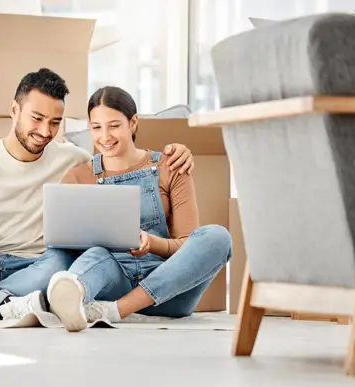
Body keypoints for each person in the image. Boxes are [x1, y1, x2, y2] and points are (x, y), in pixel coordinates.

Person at [0, 69, 195, 321]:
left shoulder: (74, 159)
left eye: (55, 122)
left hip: (42, 265)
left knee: (63, 261)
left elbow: (120, 153)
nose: (45, 131)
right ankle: (4, 305)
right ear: (14, 110)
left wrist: (177, 152)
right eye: (36, 118)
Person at [47, 86, 232, 332]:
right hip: (114, 281)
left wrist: (152, 243)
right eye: (96, 127)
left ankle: (115, 311)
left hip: (170, 292)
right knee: (96, 254)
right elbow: (65, 243)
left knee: (218, 236)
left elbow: (188, 243)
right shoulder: (77, 177)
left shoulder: (171, 165)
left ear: (133, 123)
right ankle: (73, 291)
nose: (105, 136)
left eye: (114, 125)